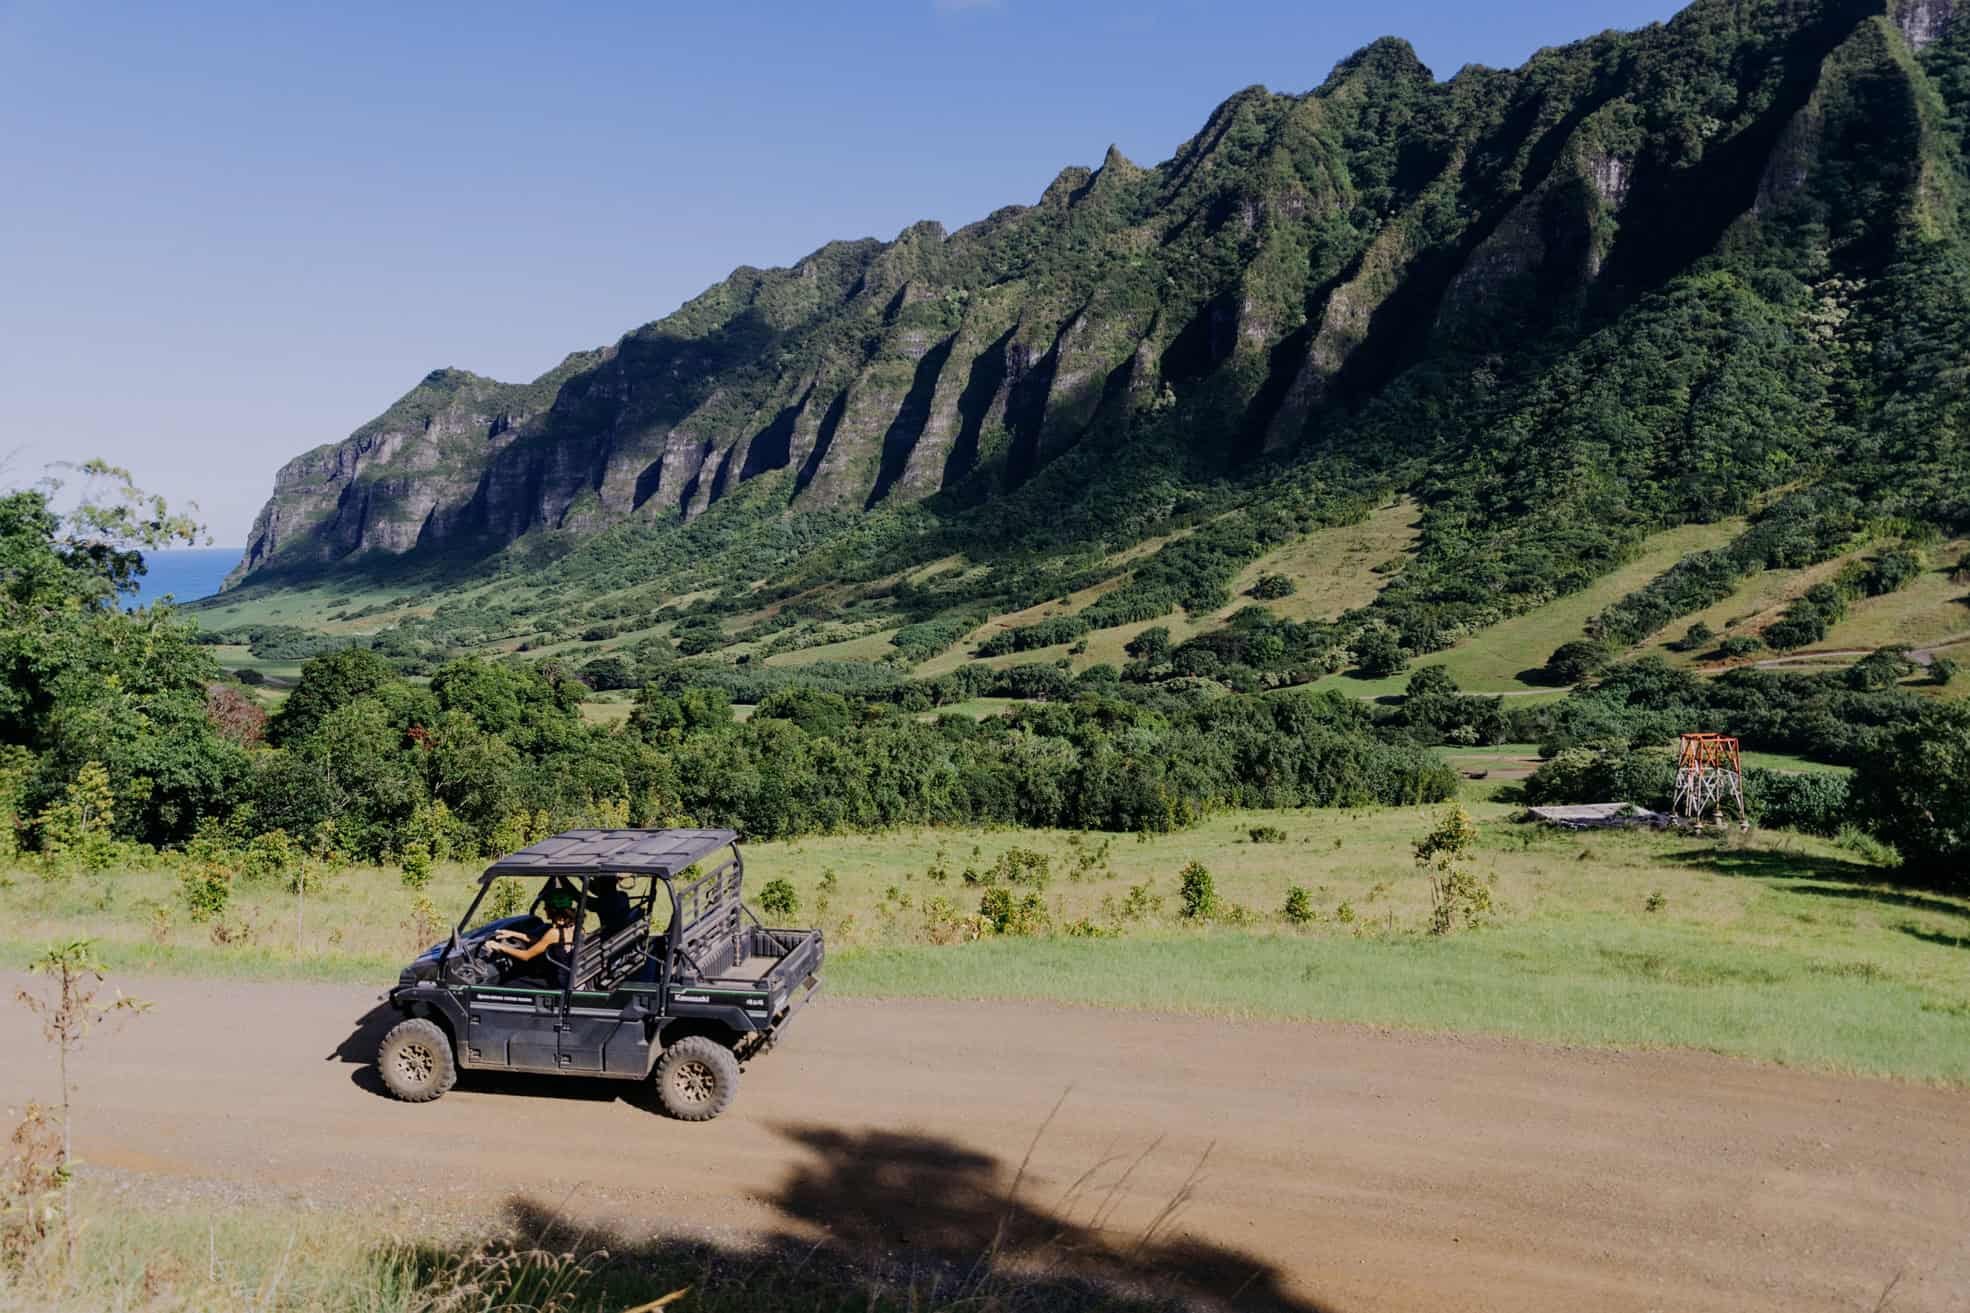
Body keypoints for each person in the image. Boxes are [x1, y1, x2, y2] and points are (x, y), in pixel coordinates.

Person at [488, 888, 578, 984]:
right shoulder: (576, 927)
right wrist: (512, 934)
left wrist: (500, 947)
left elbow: (526, 956)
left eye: (546, 906)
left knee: (506, 985)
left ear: (553, 910)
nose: (544, 909)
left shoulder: (554, 933)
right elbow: (541, 943)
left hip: (557, 982)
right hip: (568, 977)